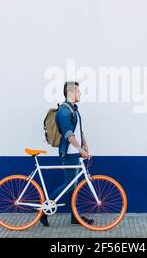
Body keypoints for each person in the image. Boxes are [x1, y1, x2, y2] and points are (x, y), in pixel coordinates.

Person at [39, 81, 94, 226]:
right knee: (69, 185)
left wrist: (85, 146)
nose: (80, 93)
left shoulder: (73, 109)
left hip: (75, 151)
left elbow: (78, 131)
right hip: (69, 153)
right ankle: (44, 211)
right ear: (71, 92)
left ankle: (75, 217)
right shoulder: (64, 110)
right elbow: (69, 134)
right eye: (78, 91)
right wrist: (80, 149)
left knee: (73, 186)